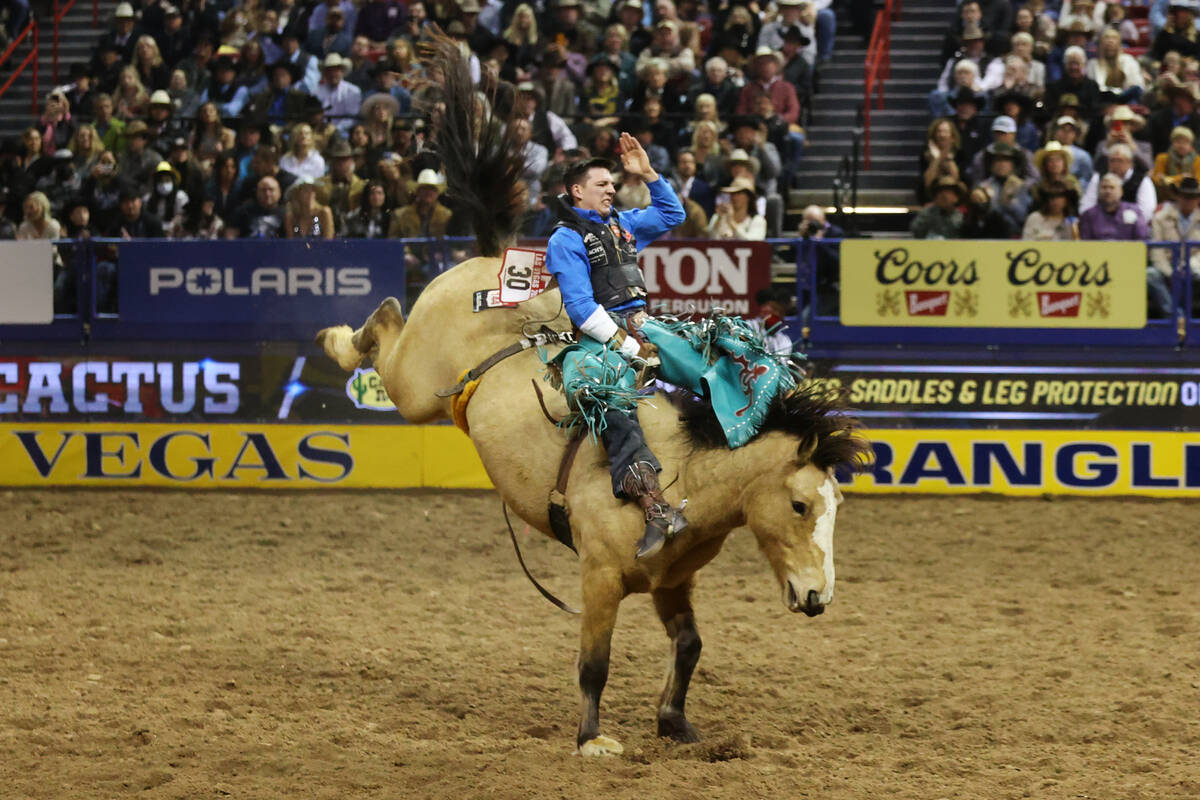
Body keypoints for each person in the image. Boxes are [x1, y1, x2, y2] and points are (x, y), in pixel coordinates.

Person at [545, 135, 686, 558]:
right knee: (609, 400)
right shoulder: (565, 239)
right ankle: (654, 504)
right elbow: (581, 307)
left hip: (644, 325)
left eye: (612, 183)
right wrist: (629, 348)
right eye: (602, 184)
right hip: (602, 336)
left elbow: (671, 213)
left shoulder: (623, 223)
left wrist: (650, 175)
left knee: (717, 357)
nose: (612, 189)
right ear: (577, 191)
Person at [1080, 143, 1156, 223]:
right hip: (1101, 223)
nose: (1115, 164)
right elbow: (1087, 205)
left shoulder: (1143, 180)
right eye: (1112, 160)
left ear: (1130, 163)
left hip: (1130, 225)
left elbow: (1147, 212)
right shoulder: (1098, 177)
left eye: (1120, 160)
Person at [1079, 172, 1151, 239]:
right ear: (1099, 191)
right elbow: (1085, 243)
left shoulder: (1134, 211)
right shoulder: (1089, 215)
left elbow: (1143, 238)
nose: (1108, 191)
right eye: (1104, 187)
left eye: (1112, 187)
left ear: (1121, 192)